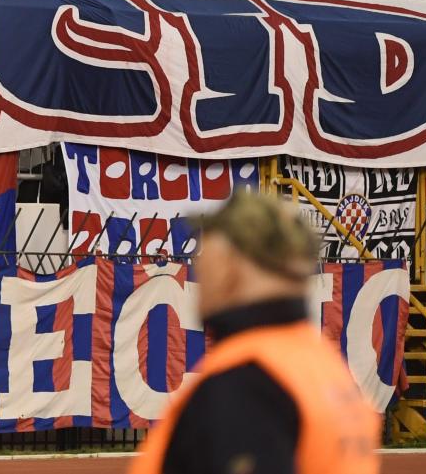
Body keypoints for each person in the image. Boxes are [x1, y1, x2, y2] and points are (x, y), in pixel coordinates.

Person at [130, 191, 380, 474]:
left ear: (231, 263)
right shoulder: (325, 368)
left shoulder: (246, 384)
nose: (197, 268)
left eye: (204, 255)